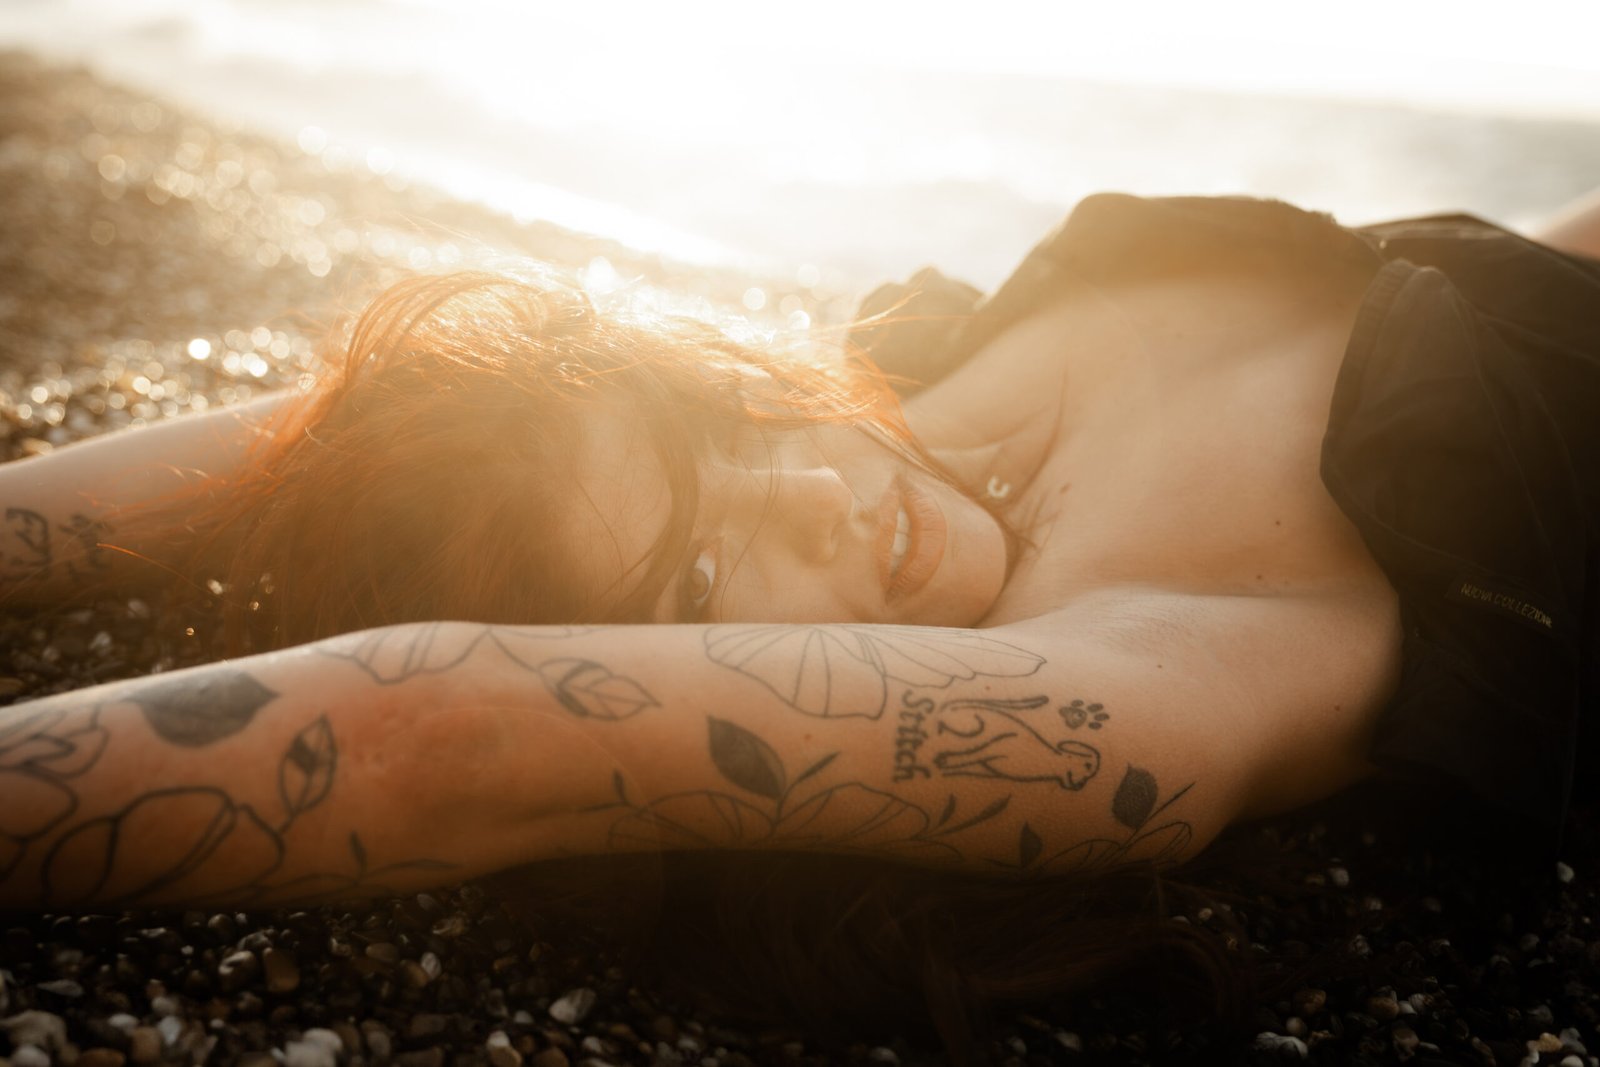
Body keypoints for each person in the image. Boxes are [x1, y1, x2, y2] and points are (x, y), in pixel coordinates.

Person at [3, 191, 1599, 1049]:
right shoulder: (1130, 676)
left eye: (721, 433)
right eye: (701, 581)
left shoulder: (895, 390)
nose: (819, 494)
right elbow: (428, 728)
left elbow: (330, 445)